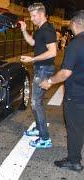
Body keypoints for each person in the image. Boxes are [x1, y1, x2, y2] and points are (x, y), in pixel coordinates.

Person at [40, 10, 84, 172]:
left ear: (75, 23)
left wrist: (49, 81)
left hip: (76, 96)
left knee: (74, 128)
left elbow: (65, 73)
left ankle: (74, 161)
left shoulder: (75, 44)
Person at [18, 3, 57, 148]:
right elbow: (33, 42)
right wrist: (24, 30)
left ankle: (45, 138)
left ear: (41, 14)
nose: (32, 19)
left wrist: (32, 59)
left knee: (36, 103)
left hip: (44, 69)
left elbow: (53, 52)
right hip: (40, 68)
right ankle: (39, 129)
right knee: (36, 103)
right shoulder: (40, 29)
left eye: (34, 16)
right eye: (31, 16)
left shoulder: (47, 29)